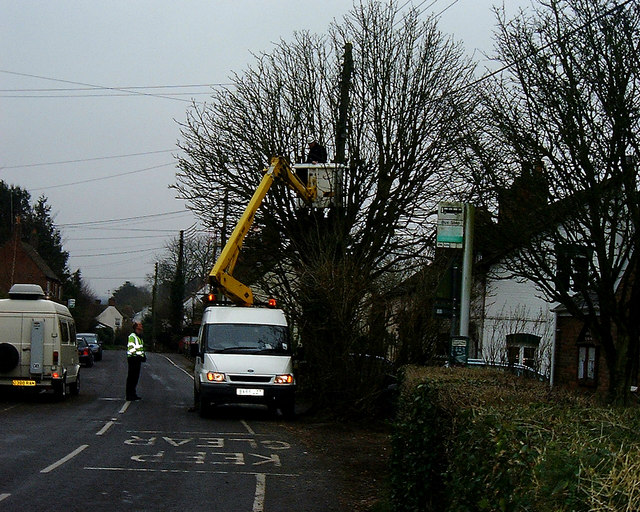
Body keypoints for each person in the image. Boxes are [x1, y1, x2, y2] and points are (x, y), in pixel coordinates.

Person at [126, 321, 146, 401]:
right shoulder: (132, 336)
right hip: (133, 359)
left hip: (137, 359)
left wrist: (143, 356)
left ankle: (133, 394)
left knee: (135, 378)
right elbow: (131, 348)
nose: (141, 326)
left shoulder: (139, 337)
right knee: (131, 377)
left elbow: (140, 348)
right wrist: (137, 356)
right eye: (140, 325)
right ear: (136, 328)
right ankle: (129, 395)